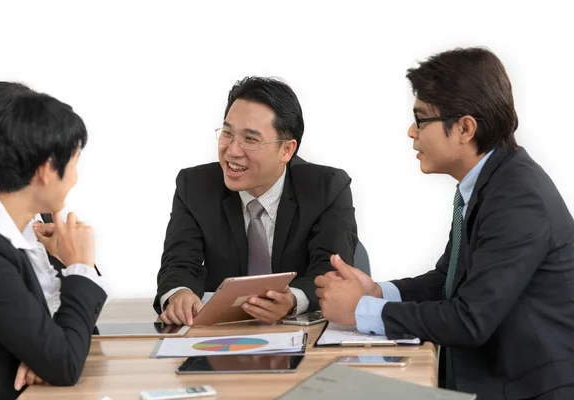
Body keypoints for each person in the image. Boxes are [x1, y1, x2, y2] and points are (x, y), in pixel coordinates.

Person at [315, 47, 574, 399]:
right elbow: (448, 282)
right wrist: (379, 292)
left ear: (465, 128)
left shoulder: (518, 197)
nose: (411, 131)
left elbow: (470, 320)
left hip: (526, 390)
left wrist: (362, 311)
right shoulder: (491, 182)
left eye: (421, 119)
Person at [155, 76, 357, 326]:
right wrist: (179, 293)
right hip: (222, 336)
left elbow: (329, 268)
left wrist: (292, 300)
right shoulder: (195, 187)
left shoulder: (327, 188)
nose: (232, 151)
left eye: (250, 139)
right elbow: (180, 261)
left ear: (286, 150)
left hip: (303, 336)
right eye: (227, 133)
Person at [0, 83, 107, 399]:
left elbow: (76, 336)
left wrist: (45, 354)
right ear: (47, 169)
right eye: (74, 161)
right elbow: (64, 362)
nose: (75, 177)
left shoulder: (30, 224)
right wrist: (80, 266)